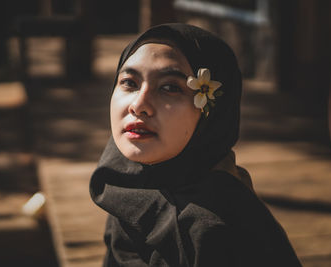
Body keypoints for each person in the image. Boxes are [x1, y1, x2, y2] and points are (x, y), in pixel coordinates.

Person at [90, 23, 302, 267]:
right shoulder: (122, 175)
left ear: (211, 115)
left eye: (169, 87)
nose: (139, 105)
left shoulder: (217, 229)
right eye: (129, 82)